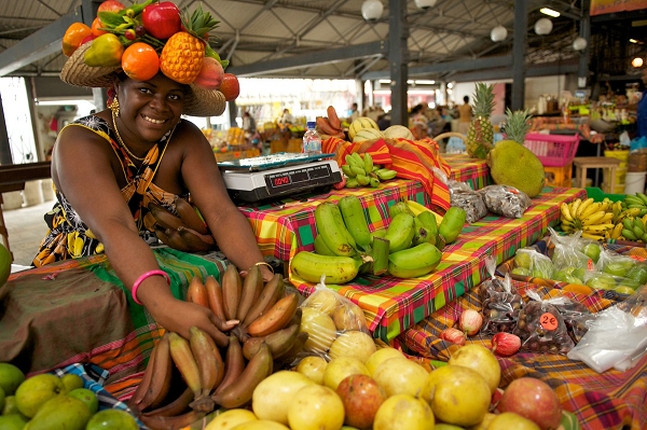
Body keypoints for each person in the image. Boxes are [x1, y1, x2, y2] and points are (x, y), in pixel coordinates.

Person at [32, 20, 273, 341]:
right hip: (84, 273)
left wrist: (260, 272)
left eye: (173, 96)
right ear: (115, 89)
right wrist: (165, 306)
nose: (159, 106)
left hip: (170, 263)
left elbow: (220, 212)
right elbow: (114, 225)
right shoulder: (80, 142)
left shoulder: (185, 138)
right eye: (145, 90)